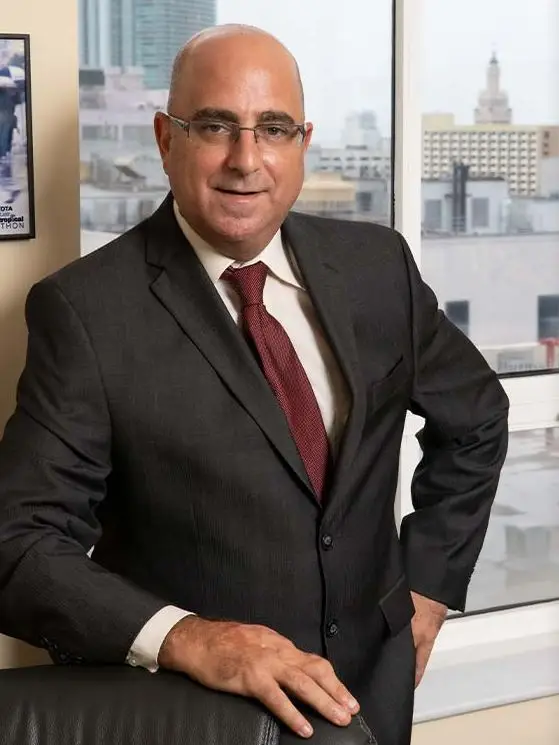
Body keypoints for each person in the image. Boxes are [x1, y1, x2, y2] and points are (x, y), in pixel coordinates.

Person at [0, 25, 509, 745]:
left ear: (303, 143)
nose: (245, 160)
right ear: (166, 139)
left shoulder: (377, 267)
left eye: (272, 129)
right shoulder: (87, 312)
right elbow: (18, 545)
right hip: (202, 716)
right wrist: (190, 638)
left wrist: (428, 585)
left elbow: (477, 417)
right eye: (215, 126)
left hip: (372, 688)